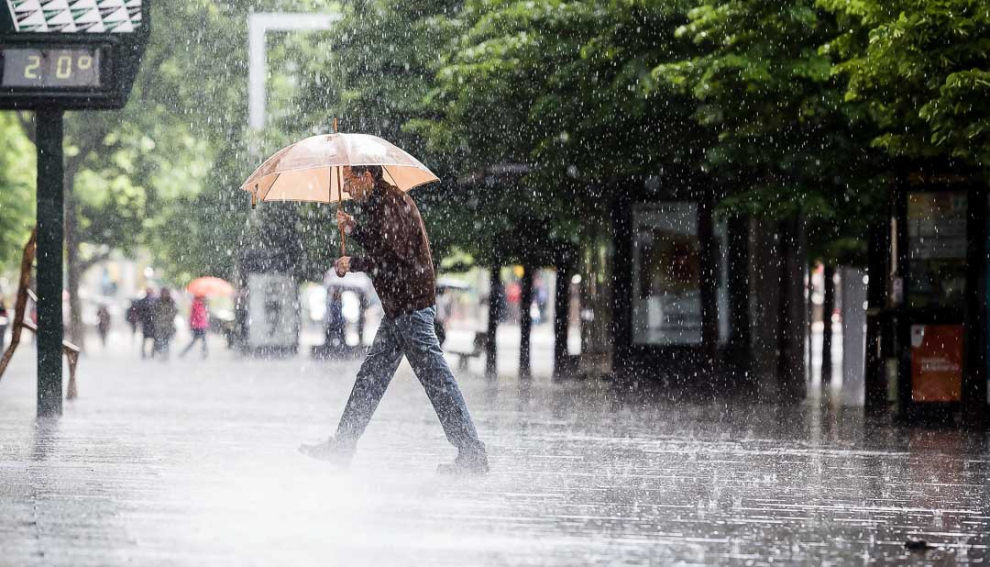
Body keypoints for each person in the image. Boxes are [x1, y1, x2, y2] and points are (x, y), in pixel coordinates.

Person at [299, 165, 488, 474]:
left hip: (411, 308)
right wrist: (355, 230)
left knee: (437, 381)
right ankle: (344, 444)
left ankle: (472, 453)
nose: (346, 189)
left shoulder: (392, 203)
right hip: (400, 309)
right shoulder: (380, 205)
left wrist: (354, 262)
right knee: (371, 377)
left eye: (348, 182)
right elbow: (384, 243)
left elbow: (393, 257)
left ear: (366, 177)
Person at [180, 295, 210, 359]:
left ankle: (204, 353)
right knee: (199, 340)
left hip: (201, 325)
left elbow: (204, 315)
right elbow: (198, 315)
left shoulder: (202, 304)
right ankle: (204, 353)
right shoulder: (196, 304)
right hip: (198, 326)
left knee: (200, 340)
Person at [152, 289, 178, 360]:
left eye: (166, 293)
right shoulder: (157, 302)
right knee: (160, 340)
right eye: (163, 293)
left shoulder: (171, 302)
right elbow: (154, 312)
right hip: (160, 325)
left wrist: (168, 316)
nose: (165, 295)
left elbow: (175, 312)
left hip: (168, 325)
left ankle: (166, 355)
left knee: (166, 340)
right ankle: (160, 353)